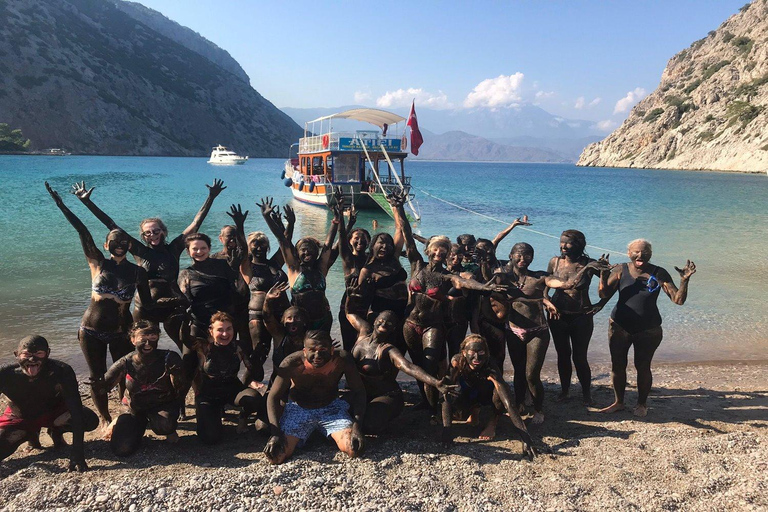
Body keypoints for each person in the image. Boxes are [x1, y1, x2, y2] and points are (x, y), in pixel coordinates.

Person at [46, 182, 160, 429]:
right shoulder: (97, 263)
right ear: (106, 245)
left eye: (123, 241)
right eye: (113, 241)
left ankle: (125, 411)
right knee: (97, 378)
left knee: (124, 374)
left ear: (129, 246)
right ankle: (106, 419)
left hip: (122, 332)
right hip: (91, 332)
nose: (119, 244)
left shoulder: (138, 273)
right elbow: (82, 230)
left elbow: (148, 305)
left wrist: (175, 304)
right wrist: (61, 205)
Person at [71, 179, 226, 348]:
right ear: (143, 236)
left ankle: (190, 373)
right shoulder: (139, 251)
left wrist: (211, 197)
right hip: (145, 309)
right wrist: (87, 202)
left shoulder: (174, 249)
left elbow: (195, 223)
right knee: (145, 349)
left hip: (172, 307)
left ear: (163, 232)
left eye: (156, 231)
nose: (152, 235)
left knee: (187, 346)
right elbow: (111, 225)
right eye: (147, 233)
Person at [392, 190, 507, 409]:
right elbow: (407, 233)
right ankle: (427, 402)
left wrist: (484, 286)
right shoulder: (417, 264)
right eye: (436, 249)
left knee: (431, 363)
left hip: (431, 326)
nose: (439, 253)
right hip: (410, 323)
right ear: (428, 250)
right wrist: (398, 208)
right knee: (417, 365)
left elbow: (465, 283)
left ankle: (437, 407)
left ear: (447, 255)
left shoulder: (447, 276)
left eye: (443, 251)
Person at [503, 242, 607, 424]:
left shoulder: (540, 277)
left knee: (531, 375)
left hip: (537, 330)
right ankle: (519, 404)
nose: (523, 258)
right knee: (518, 372)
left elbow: (568, 284)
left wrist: (588, 268)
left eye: (528, 255)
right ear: (511, 256)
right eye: (519, 255)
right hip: (513, 329)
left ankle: (538, 410)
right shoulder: (503, 278)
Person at [598, 239, 695, 417]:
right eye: (636, 252)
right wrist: (603, 275)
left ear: (651, 254)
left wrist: (684, 281)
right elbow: (603, 294)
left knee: (642, 366)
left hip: (648, 329)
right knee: (617, 366)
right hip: (619, 326)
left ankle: (641, 404)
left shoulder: (659, 273)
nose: (640, 255)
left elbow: (678, 300)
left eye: (644, 252)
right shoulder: (621, 270)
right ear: (629, 253)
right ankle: (618, 402)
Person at [264, 330, 365, 465]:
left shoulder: (342, 360)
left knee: (353, 449)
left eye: (323, 350)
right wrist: (275, 433)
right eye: (312, 350)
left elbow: (358, 391)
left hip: (331, 409)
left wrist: (357, 428)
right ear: (305, 351)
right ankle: (314, 434)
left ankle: (322, 433)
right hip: (299, 409)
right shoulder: (291, 363)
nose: (317, 355)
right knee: (275, 457)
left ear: (331, 349)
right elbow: (273, 397)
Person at [0, 335, 98, 472]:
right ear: (16, 355)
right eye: (26, 354)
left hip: (55, 413)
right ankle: (30, 435)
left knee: (90, 420)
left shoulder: (61, 371)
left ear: (48, 354)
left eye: (39, 354)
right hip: (20, 417)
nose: (32, 360)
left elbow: (75, 410)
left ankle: (56, 432)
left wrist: (77, 453)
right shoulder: (5, 375)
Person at [351, 311, 458, 434]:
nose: (384, 323)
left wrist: (435, 382)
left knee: (369, 426)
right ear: (374, 321)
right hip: (361, 394)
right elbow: (350, 312)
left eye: (389, 323)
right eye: (381, 320)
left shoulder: (389, 350)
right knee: (337, 412)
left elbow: (409, 367)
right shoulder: (362, 333)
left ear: (393, 329)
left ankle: (384, 416)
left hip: (387, 395)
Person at [440, 335, 536, 460]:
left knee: (501, 391)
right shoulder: (456, 362)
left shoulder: (490, 365)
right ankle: (474, 412)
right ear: (463, 353)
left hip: (485, 395)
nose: (476, 358)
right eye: (471, 353)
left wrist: (526, 438)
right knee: (453, 396)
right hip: (467, 393)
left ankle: (492, 423)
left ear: (486, 353)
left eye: (481, 352)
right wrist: (447, 431)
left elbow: (507, 402)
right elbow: (445, 394)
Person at [100, 321, 184, 456]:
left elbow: (181, 387)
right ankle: (124, 423)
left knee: (165, 425)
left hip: (162, 405)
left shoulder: (169, 358)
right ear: (133, 340)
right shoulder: (125, 362)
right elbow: (102, 387)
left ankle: (166, 428)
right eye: (142, 339)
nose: (147, 344)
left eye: (153, 339)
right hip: (134, 409)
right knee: (122, 450)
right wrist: (104, 414)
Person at [181, 312, 266, 444]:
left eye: (229, 329)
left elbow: (253, 371)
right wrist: (184, 322)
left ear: (233, 329)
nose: (225, 334)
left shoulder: (239, 346)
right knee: (210, 439)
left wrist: (257, 358)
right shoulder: (203, 346)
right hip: (208, 394)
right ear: (211, 331)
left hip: (232, 389)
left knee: (254, 398)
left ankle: (242, 418)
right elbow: (185, 338)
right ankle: (212, 418)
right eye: (220, 330)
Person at [546, 230, 608, 405]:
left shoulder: (590, 263)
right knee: (562, 354)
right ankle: (565, 391)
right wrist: (546, 302)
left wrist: (601, 304)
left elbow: (610, 287)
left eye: (569, 243)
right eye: (561, 242)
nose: (563, 246)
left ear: (580, 245)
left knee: (580, 357)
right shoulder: (555, 262)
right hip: (557, 315)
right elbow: (544, 285)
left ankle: (586, 394)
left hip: (582, 316)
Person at [261, 197, 338, 332]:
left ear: (316, 253)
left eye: (311, 249)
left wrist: (335, 221)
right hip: (301, 324)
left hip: (323, 321)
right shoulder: (294, 268)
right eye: (303, 249)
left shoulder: (321, 268)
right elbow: (282, 240)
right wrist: (267, 217)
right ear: (297, 253)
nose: (307, 252)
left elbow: (328, 244)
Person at [236, 203, 293, 380]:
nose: (259, 247)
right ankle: (244, 388)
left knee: (281, 352)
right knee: (258, 355)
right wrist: (240, 225)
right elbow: (242, 250)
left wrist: (290, 224)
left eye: (263, 244)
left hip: (281, 314)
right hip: (257, 316)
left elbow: (285, 243)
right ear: (249, 247)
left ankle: (275, 388)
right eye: (255, 244)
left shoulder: (274, 263)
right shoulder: (247, 266)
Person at [178, 232, 238, 339]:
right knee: (189, 355)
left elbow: (236, 289)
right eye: (195, 249)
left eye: (203, 248)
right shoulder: (185, 274)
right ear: (188, 251)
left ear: (209, 248)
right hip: (200, 323)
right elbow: (184, 302)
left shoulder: (223, 265)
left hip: (224, 323)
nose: (199, 252)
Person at [262, 282, 309, 371]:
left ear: (304, 321)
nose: (293, 321)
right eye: (289, 318)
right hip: (280, 378)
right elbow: (267, 318)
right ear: (283, 322)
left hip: (301, 379)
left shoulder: (308, 338)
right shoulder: (279, 335)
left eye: (297, 318)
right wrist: (267, 300)